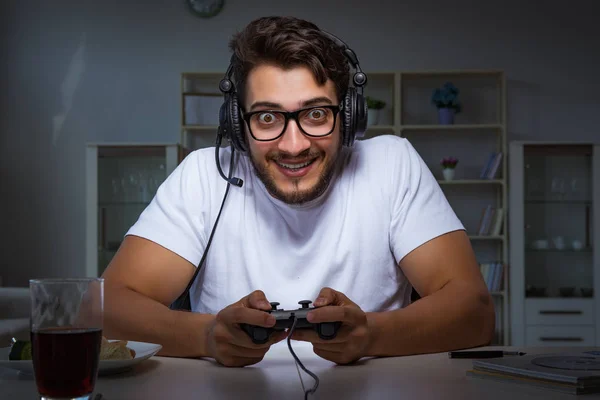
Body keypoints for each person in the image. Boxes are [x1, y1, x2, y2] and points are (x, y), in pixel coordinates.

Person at [101, 15, 495, 368]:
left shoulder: (393, 164)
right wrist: (207, 337)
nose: (294, 145)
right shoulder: (204, 175)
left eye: (316, 114)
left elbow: (474, 311)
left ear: (351, 116)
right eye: (268, 117)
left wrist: (371, 335)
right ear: (238, 125)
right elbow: (106, 307)